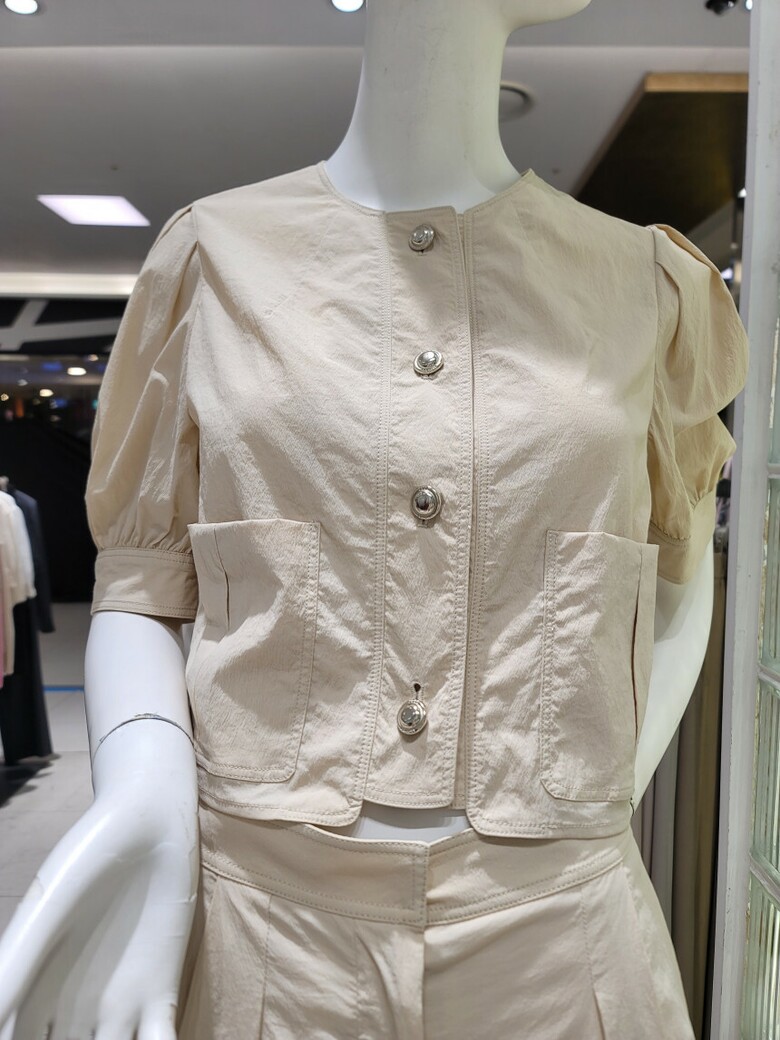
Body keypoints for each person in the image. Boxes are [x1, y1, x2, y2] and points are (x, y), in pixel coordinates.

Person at [0, 0, 749, 1036]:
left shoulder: (643, 283)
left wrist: (594, 800)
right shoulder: (212, 260)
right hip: (263, 928)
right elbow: (142, 581)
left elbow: (677, 569)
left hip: (560, 938)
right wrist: (144, 790)